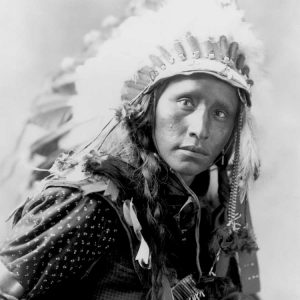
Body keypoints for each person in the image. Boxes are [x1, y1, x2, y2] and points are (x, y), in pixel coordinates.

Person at [0, 0, 263, 299]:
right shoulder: (91, 205)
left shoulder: (207, 219)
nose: (199, 129)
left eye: (220, 114)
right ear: (147, 110)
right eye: (186, 102)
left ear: (233, 131)